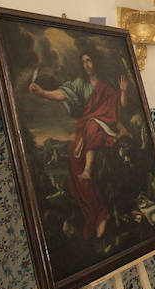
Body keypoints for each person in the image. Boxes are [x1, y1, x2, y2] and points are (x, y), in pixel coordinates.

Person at [29, 50, 127, 240]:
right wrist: (42, 93)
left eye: (89, 60)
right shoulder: (79, 84)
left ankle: (89, 168)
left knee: (92, 125)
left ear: (95, 62)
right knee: (74, 159)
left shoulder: (106, 87)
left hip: (104, 124)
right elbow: (61, 94)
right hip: (86, 126)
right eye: (83, 62)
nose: (86, 65)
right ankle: (97, 213)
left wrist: (123, 91)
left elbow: (119, 107)